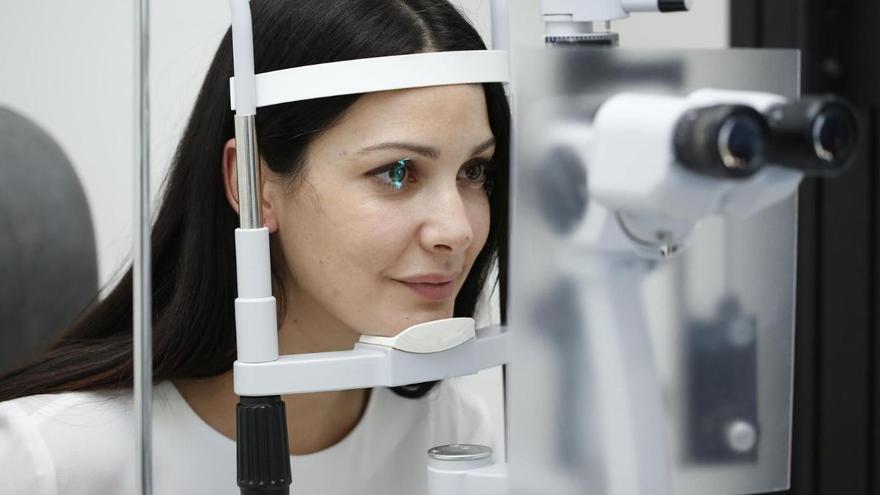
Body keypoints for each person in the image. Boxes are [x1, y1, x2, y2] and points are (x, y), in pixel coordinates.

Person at [0, 0, 510, 493]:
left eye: (473, 171)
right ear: (254, 189)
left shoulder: (449, 430)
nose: (457, 229)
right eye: (397, 171)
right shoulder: (48, 462)